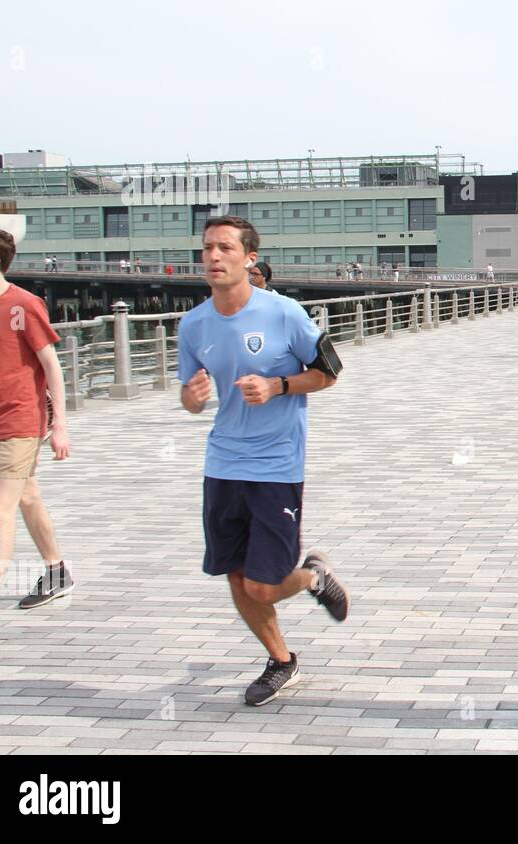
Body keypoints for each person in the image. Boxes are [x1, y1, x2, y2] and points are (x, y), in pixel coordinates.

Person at [177, 215, 349, 706]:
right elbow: (189, 401)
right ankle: (280, 660)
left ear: (249, 258)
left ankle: (313, 575)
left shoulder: (285, 314)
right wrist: (192, 395)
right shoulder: (193, 325)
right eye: (208, 248)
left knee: (263, 585)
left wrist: (277, 385)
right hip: (222, 464)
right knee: (235, 575)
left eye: (225, 248)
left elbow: (330, 373)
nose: (213, 257)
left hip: (276, 464)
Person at [0, 226, 75, 640]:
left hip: (20, 423)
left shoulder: (24, 305)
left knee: (0, 510)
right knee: (26, 495)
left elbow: (52, 366)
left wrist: (60, 425)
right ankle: (56, 571)